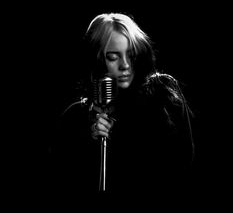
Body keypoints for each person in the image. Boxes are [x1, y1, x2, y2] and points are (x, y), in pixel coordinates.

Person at [52, 12, 195, 199]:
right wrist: (90, 141)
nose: (125, 65)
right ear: (96, 59)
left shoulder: (162, 95)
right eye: (113, 57)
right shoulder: (76, 116)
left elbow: (182, 161)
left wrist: (120, 135)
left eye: (131, 54)